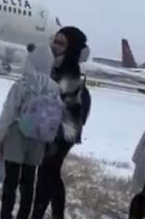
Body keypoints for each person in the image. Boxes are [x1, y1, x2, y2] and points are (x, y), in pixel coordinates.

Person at [0, 43, 61, 219]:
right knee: (29, 182)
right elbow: (58, 114)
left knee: (11, 180)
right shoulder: (54, 87)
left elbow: (9, 110)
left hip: (18, 133)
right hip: (40, 137)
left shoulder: (23, 82)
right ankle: (24, 214)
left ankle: (6, 214)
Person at [32, 26, 90, 219]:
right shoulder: (53, 66)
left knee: (48, 172)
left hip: (65, 130)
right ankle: (53, 214)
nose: (55, 46)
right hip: (52, 127)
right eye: (54, 41)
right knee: (50, 173)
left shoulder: (70, 72)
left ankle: (40, 213)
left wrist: (56, 139)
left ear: (71, 47)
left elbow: (66, 107)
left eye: (61, 43)